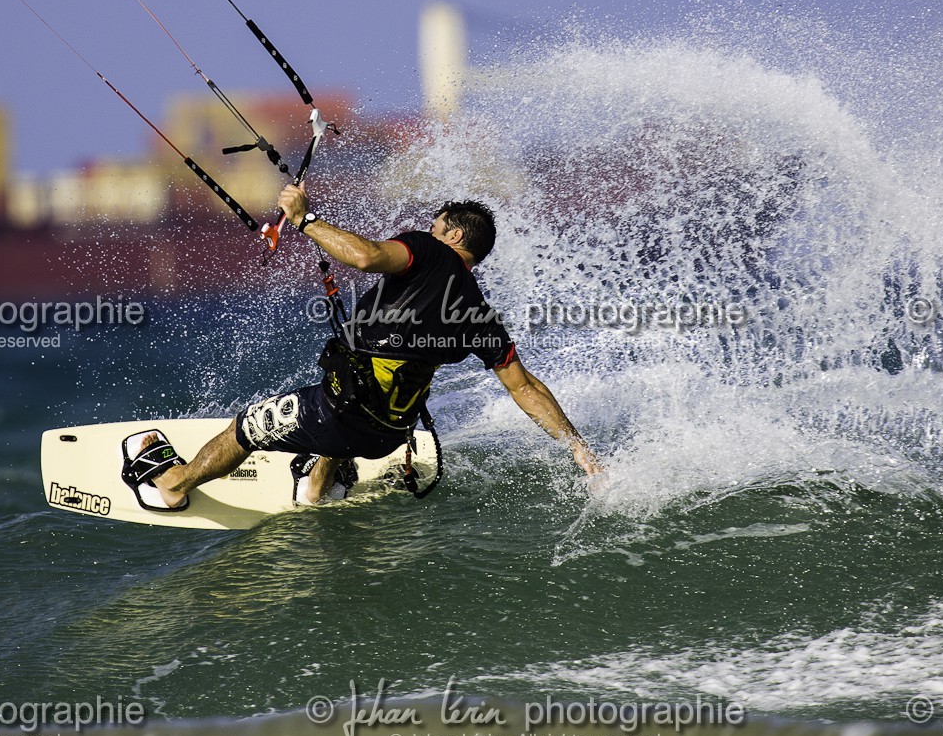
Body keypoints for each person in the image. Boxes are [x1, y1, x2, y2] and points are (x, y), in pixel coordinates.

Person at [123, 184, 602, 511]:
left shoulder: (427, 250)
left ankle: (173, 484)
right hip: (389, 437)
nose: (429, 232)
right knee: (359, 386)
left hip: (339, 416)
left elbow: (366, 256)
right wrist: (577, 446)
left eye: (436, 227)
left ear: (453, 236)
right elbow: (525, 387)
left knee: (247, 426)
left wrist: (304, 218)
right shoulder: (479, 314)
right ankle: (315, 485)